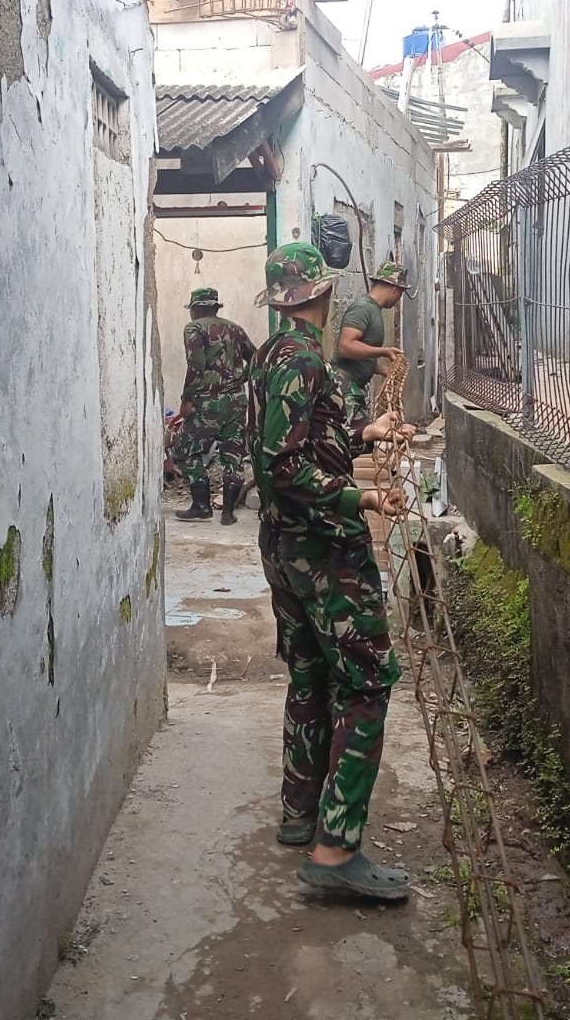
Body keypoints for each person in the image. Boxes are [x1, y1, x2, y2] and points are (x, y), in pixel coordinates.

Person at [248, 242, 416, 901]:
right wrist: (360, 498)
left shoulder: (271, 355)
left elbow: (297, 442)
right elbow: (287, 467)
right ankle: (336, 847)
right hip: (321, 548)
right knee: (367, 679)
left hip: (282, 545)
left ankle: (299, 812)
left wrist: (365, 434)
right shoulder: (302, 361)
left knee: (311, 672)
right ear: (320, 292)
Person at [173, 287, 257, 525]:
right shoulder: (235, 329)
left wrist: (187, 399)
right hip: (236, 402)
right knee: (233, 455)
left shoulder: (194, 328)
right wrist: (241, 379)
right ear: (214, 307)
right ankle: (228, 513)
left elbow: (196, 365)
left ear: (196, 308)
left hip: (207, 403)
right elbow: (256, 357)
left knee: (184, 450)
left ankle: (201, 506)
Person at [333, 261, 409, 428]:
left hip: (355, 389)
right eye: (401, 293)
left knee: (362, 437)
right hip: (345, 387)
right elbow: (345, 347)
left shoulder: (373, 310)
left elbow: (360, 354)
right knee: (348, 437)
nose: (398, 299)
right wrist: (383, 351)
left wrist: (383, 370)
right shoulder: (363, 308)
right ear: (394, 289)